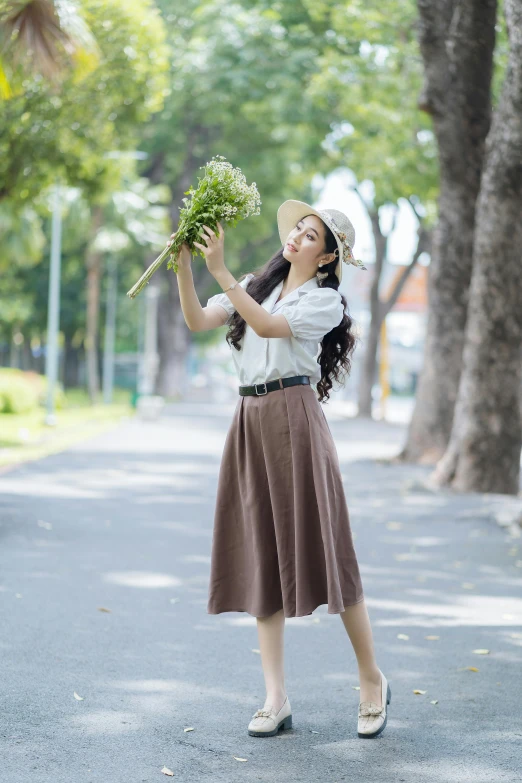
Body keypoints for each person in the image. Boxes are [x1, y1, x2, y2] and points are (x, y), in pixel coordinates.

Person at [168, 199, 391, 740]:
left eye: (310, 235)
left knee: (329, 551)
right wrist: (182, 263)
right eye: (297, 228)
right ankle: (275, 696)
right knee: (260, 557)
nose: (295, 237)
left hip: (295, 419)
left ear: (326, 257)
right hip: (249, 419)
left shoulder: (325, 303)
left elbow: (267, 328)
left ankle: (370, 680)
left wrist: (220, 269)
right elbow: (198, 319)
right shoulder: (256, 284)